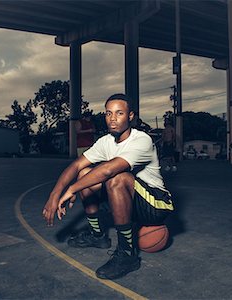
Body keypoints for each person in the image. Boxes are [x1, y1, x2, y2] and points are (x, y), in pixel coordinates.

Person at [42, 93, 174, 280]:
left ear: (130, 116)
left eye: (119, 113)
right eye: (108, 113)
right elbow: (76, 165)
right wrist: (55, 194)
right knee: (84, 174)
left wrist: (72, 189)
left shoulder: (142, 140)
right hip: (128, 200)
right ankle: (98, 236)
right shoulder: (105, 142)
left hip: (155, 205)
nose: (112, 119)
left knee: (116, 177)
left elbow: (108, 171)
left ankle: (127, 254)